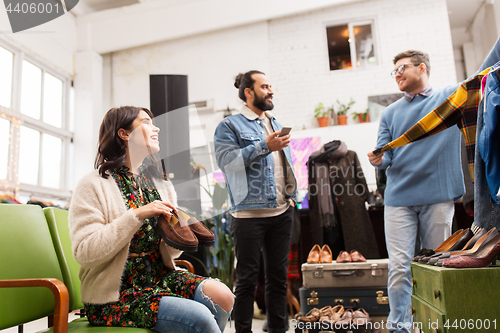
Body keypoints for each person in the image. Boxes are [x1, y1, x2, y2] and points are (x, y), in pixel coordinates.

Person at [367, 45, 500, 333]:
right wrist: (379, 158)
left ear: (422, 68)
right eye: (394, 71)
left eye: (402, 68)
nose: (397, 75)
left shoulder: (450, 98)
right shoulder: (390, 112)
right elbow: (386, 155)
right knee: (399, 267)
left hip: (438, 197)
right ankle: (399, 327)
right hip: (399, 199)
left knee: (434, 266)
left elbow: (483, 72)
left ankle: (431, 325)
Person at [69, 106, 234, 333]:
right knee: (200, 317)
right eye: (146, 122)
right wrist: (136, 215)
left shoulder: (161, 184)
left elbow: (170, 255)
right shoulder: (93, 185)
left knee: (223, 295)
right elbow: (84, 253)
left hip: (160, 278)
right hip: (116, 294)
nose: (155, 128)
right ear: (124, 134)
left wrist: (178, 234)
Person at [214, 71, 297, 333]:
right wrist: (263, 146)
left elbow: (283, 165)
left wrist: (291, 195)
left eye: (271, 86)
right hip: (248, 215)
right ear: (249, 92)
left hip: (281, 211)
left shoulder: (275, 122)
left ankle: (278, 329)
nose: (271, 91)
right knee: (247, 280)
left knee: (278, 279)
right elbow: (227, 163)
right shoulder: (229, 125)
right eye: (264, 86)